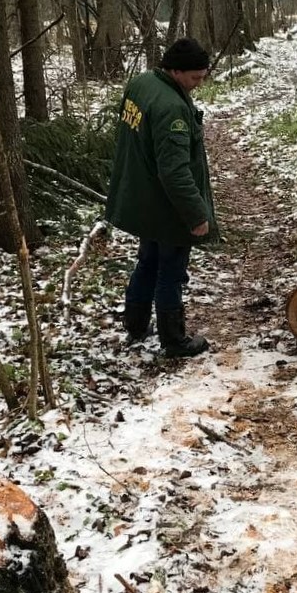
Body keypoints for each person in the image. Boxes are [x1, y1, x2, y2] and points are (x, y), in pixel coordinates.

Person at [105, 37, 216, 358]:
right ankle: (174, 340)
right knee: (170, 269)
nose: (197, 84)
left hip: (143, 198)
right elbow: (175, 172)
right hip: (166, 206)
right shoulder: (172, 109)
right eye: (195, 78)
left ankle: (136, 325)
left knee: (148, 261)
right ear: (176, 71)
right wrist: (196, 215)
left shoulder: (142, 83)